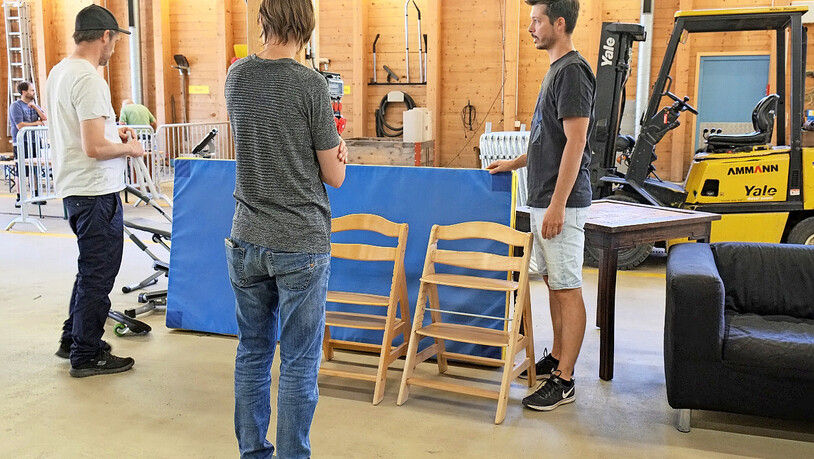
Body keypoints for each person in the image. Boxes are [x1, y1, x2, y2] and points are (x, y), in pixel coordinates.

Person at [223, 0, 347, 457]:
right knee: (298, 362)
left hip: (246, 235)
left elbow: (255, 142)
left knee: (252, 353)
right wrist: (339, 147)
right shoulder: (311, 85)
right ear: (306, 24)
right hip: (299, 241)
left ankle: (253, 452)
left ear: (264, 20)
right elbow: (334, 175)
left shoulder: (236, 76)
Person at [487, 0, 595, 412]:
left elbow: (576, 142)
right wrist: (513, 164)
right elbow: (546, 139)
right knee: (553, 283)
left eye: (537, 21)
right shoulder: (556, 70)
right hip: (544, 199)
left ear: (559, 23)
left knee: (567, 288)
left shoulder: (573, 72)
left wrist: (557, 205)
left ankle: (565, 380)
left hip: (559, 202)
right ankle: (559, 356)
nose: (530, 28)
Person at [45, 4, 144, 377]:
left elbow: (83, 133)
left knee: (89, 271)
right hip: (96, 193)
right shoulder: (89, 78)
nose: (114, 49)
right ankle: (87, 353)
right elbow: (94, 147)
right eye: (115, 41)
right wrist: (130, 149)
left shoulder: (60, 72)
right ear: (105, 36)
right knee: (99, 275)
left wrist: (113, 132)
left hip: (76, 190)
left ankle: (72, 339)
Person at [8, 81, 47, 205]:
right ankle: (20, 197)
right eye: (32, 90)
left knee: (35, 167)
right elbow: (20, 125)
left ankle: (36, 195)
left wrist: (35, 107)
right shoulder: (16, 106)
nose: (34, 92)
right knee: (21, 169)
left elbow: (44, 118)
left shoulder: (34, 105)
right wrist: (36, 123)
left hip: (34, 141)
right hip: (22, 142)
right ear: (24, 92)